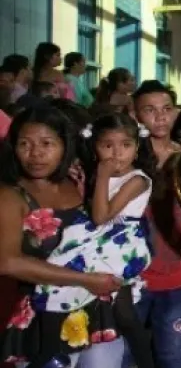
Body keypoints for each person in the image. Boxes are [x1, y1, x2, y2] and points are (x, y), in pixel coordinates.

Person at [0, 105, 125, 367]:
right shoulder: (10, 196)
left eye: (47, 143)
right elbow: (8, 262)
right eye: (24, 144)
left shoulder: (76, 181)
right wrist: (85, 280)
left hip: (94, 308)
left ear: (65, 146)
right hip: (44, 314)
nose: (35, 153)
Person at [132, 80, 181, 368]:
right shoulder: (127, 158)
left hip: (177, 273)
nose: (160, 117)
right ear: (135, 114)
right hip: (131, 277)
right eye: (149, 110)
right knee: (127, 356)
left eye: (166, 109)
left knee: (171, 357)